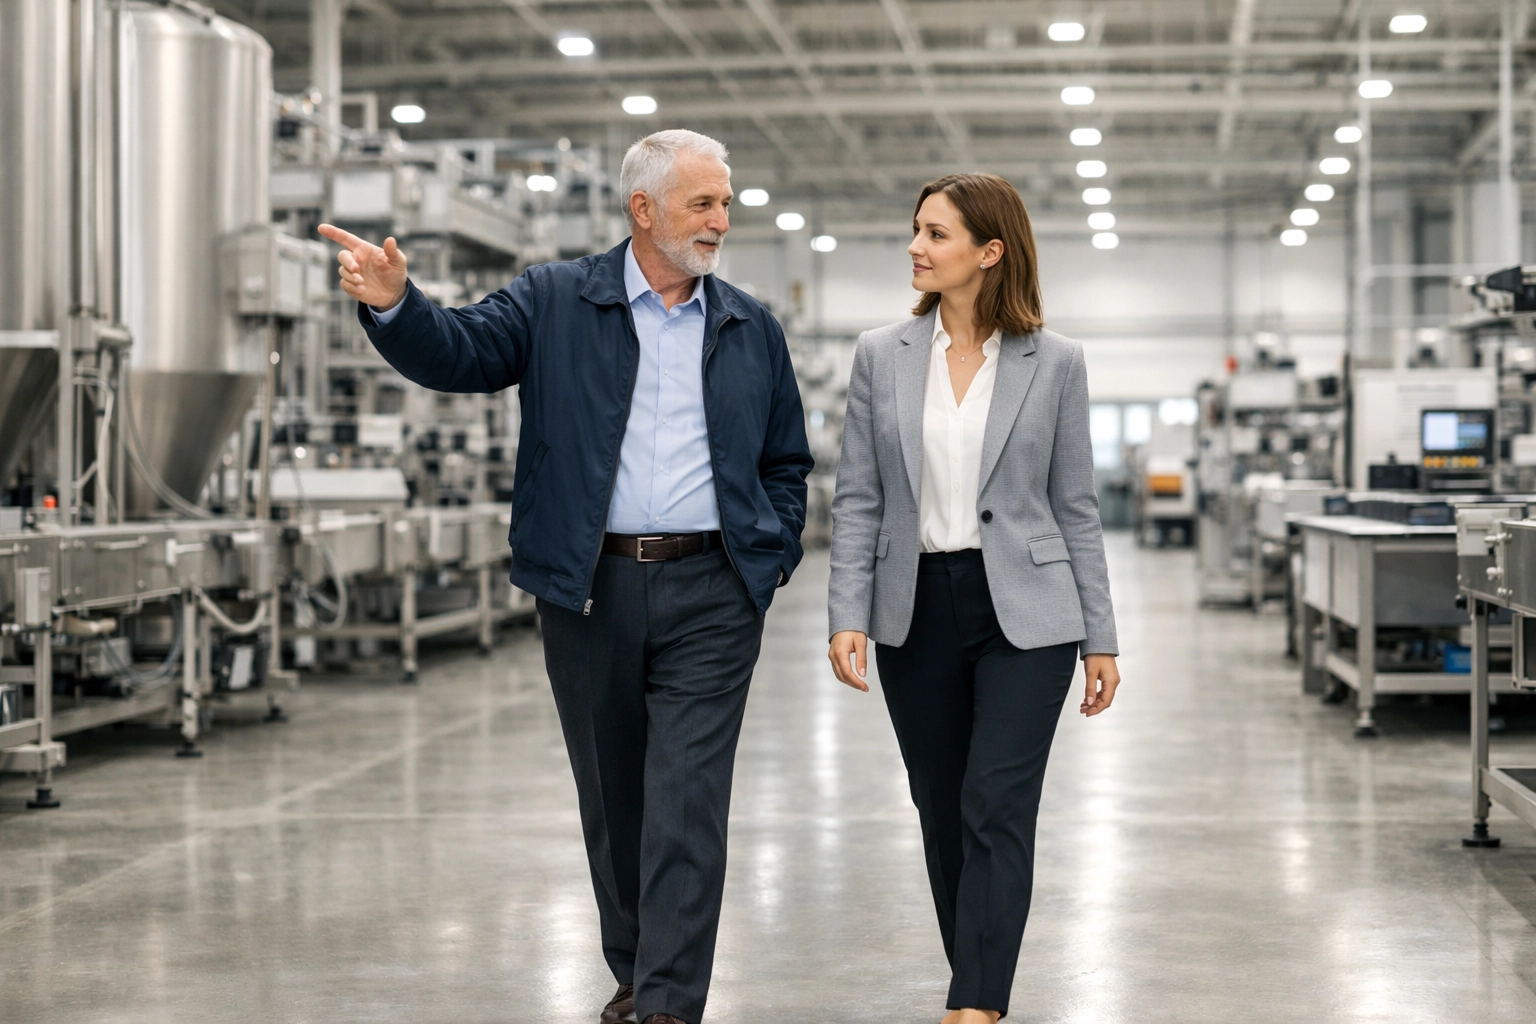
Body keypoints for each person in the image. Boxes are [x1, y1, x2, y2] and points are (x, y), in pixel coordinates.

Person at [320, 129, 813, 1024]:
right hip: (590, 589)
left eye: (725, 203)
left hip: (713, 592)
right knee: (615, 797)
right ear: (643, 210)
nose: (721, 221)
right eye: (703, 203)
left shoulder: (750, 326)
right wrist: (398, 305)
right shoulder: (554, 299)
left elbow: (787, 461)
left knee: (687, 800)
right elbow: (464, 352)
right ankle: (634, 967)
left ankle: (668, 1002)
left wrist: (767, 557)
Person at [825, 173, 1121, 1024]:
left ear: (990, 253)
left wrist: (1101, 634)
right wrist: (848, 611)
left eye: (936, 234)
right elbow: (859, 497)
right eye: (916, 230)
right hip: (914, 605)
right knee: (942, 806)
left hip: (1028, 614)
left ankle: (975, 1006)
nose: (916, 247)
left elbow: (1076, 505)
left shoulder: (1056, 362)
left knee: (996, 799)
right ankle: (978, 979)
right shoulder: (881, 355)